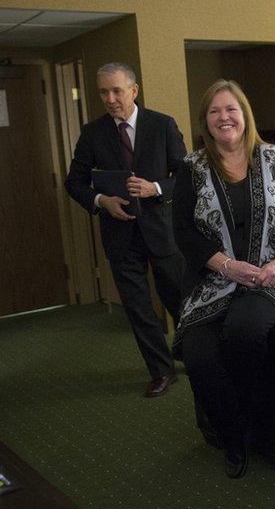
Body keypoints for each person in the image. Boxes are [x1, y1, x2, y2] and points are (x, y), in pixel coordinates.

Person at [172, 80, 275, 478]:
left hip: (270, 279)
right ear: (205, 122)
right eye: (214, 112)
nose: (224, 118)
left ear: (245, 114)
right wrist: (225, 266)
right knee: (197, 354)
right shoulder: (191, 168)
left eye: (231, 109)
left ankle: (254, 418)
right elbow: (183, 231)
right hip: (213, 281)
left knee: (245, 330)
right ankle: (232, 435)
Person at [64, 62, 186, 398]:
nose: (110, 98)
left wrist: (155, 189)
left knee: (179, 299)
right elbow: (74, 182)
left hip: (162, 231)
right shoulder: (92, 133)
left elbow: (187, 178)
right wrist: (102, 200)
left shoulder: (162, 125)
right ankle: (161, 370)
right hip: (119, 236)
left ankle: (193, 354)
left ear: (134, 90)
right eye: (104, 92)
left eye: (117, 90)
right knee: (137, 306)